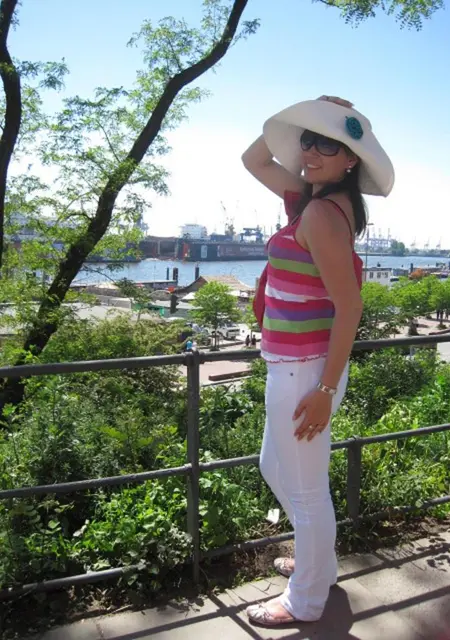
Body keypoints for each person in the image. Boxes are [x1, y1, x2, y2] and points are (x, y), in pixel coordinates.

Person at [241, 95, 394, 626]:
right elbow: (254, 158)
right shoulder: (314, 199)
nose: (310, 151)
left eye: (328, 144)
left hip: (305, 371)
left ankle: (305, 599)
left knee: (307, 494)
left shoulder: (321, 213)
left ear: (351, 159)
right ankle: (316, 560)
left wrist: (325, 391)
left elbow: (351, 305)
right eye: (308, 140)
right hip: (294, 364)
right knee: (273, 467)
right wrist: (307, 112)